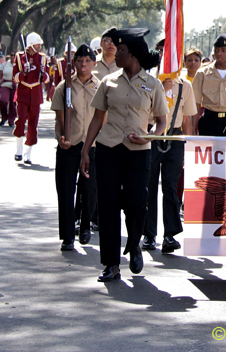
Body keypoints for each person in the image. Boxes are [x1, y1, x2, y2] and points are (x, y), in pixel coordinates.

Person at [79, 29, 168, 282]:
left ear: (134, 55)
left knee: (137, 204)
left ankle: (135, 245)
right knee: (108, 206)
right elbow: (98, 118)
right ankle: (110, 263)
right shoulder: (108, 82)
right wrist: (86, 149)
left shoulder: (153, 84)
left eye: (121, 51)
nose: (115, 54)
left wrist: (150, 136)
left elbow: (162, 122)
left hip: (138, 151)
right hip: (108, 148)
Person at [51, 44, 99, 251]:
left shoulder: (101, 86)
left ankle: (85, 225)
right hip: (70, 144)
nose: (83, 64)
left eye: (87, 61)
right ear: (74, 62)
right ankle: (67, 235)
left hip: (93, 144)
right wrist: (61, 138)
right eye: (79, 60)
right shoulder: (65, 87)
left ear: (94, 63)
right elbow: (60, 118)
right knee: (66, 189)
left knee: (89, 189)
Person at [143, 68, 195, 254]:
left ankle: (170, 234)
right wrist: (162, 91)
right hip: (153, 135)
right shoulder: (149, 82)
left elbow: (187, 118)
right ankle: (148, 234)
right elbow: (143, 112)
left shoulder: (185, 85)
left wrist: (188, 146)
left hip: (175, 137)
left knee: (171, 186)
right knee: (148, 186)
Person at [193, 35, 226, 137]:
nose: (219, 53)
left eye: (223, 50)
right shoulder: (202, 73)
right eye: (217, 50)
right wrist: (193, 127)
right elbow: (196, 104)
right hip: (208, 121)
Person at [12, 32, 49, 164]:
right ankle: (19, 150)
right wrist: (24, 72)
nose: (40, 46)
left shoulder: (43, 58)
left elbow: (46, 79)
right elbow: (15, 78)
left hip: (36, 95)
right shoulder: (19, 57)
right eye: (38, 44)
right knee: (21, 120)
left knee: (33, 124)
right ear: (32, 44)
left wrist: (43, 74)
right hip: (22, 94)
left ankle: (28, 153)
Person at [0, 53, 16, 127]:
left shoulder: (19, 64)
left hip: (15, 85)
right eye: (11, 55)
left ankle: (11, 120)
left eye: (14, 55)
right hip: (5, 84)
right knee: (3, 100)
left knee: (13, 103)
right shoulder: (5, 64)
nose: (13, 56)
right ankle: (4, 116)